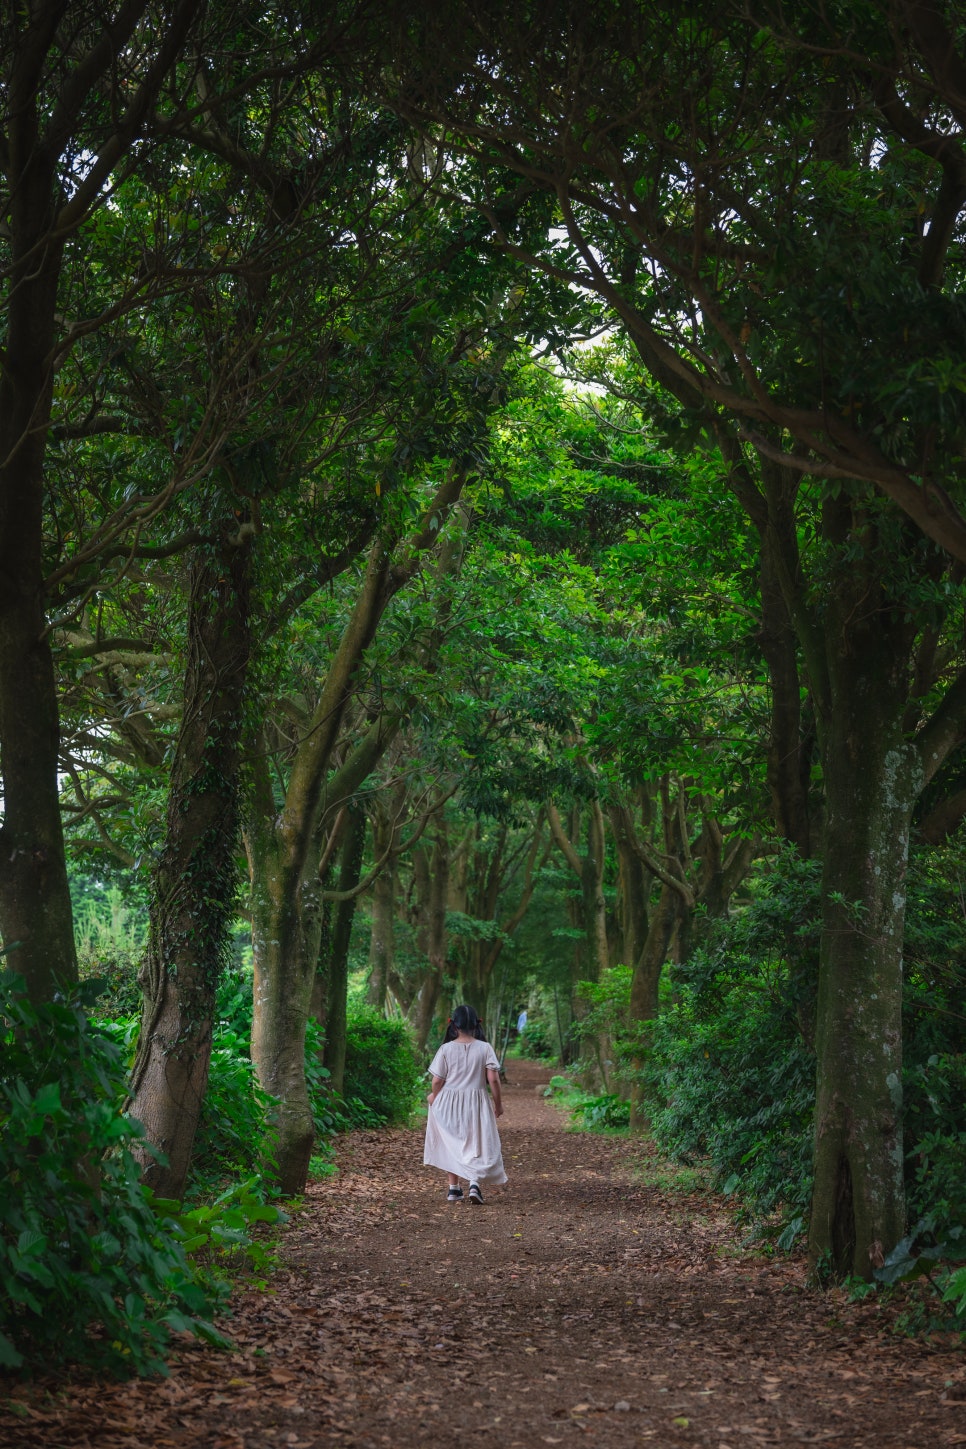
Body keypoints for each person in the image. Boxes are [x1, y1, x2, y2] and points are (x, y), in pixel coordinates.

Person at [424, 1003, 507, 1204]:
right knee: (475, 1141)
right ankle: (474, 1183)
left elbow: (437, 1081)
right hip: (476, 1101)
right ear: (476, 1025)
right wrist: (498, 1105)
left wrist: (436, 1097)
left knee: (451, 1142)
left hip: (449, 1101)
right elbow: (494, 1080)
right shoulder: (485, 1048)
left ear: (454, 1025)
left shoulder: (446, 1049)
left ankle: (454, 1188)